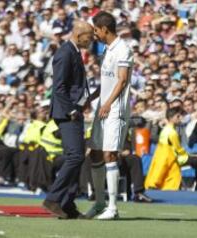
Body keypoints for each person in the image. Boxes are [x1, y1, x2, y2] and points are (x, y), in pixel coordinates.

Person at [42, 20, 94, 219]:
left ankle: (67, 204)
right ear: (80, 34)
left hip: (73, 110)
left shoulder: (73, 51)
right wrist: (72, 110)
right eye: (89, 36)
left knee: (77, 156)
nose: (92, 40)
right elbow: (59, 87)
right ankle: (54, 199)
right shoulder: (65, 53)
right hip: (67, 113)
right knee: (75, 156)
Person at [86, 11, 134, 220]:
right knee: (95, 154)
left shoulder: (123, 49)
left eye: (96, 29)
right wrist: (92, 99)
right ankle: (99, 203)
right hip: (102, 108)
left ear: (104, 29)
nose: (94, 33)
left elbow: (122, 80)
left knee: (109, 154)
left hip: (115, 109)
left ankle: (113, 208)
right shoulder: (107, 49)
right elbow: (106, 81)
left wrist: (107, 103)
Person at [145, 107, 197, 191]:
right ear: (172, 118)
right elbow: (179, 150)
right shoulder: (172, 132)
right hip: (178, 158)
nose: (180, 118)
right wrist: (189, 155)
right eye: (178, 116)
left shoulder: (165, 130)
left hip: (171, 158)